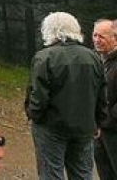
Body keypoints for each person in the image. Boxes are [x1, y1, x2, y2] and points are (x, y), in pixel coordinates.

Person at [25, 11, 105, 180]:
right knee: (83, 173)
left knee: (51, 173)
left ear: (49, 30)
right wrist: (98, 121)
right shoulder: (93, 57)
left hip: (51, 127)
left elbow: (38, 95)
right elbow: (101, 93)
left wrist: (34, 116)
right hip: (84, 127)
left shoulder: (45, 57)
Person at [94, 18, 117, 180]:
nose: (97, 40)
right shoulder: (100, 61)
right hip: (101, 131)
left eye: (102, 36)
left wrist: (107, 117)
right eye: (94, 35)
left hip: (113, 129)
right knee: (105, 172)